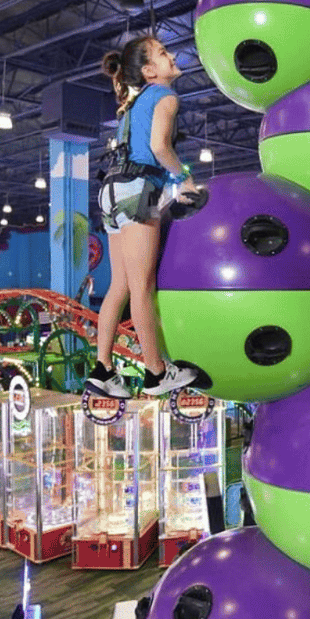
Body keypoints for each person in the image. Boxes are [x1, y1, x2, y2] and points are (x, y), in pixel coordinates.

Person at [86, 35, 200, 398]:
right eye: (164, 54)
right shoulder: (166, 96)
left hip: (110, 192)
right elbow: (158, 146)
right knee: (142, 287)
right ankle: (156, 373)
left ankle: (103, 368)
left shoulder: (133, 105)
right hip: (139, 189)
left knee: (118, 286)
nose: (172, 56)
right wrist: (184, 179)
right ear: (150, 71)